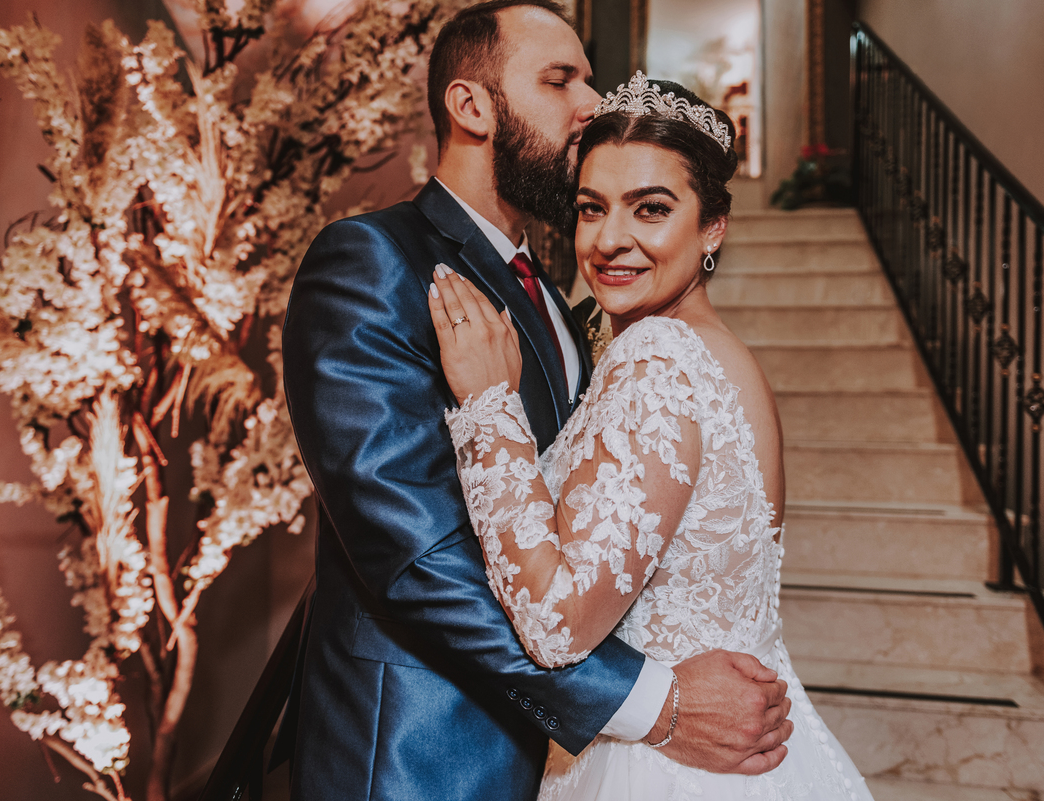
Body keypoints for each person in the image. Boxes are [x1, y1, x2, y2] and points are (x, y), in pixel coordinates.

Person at [282, 3, 792, 799]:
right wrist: (649, 700)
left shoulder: (562, 300)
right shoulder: (372, 262)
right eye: (560, 81)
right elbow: (418, 555)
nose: (592, 102)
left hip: (557, 753)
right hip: (420, 757)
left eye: (589, 79)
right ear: (471, 106)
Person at [425, 73, 874, 800]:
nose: (610, 240)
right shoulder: (721, 355)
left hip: (663, 764)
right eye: (591, 208)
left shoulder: (658, 357)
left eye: (652, 208)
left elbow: (556, 624)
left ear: (713, 226)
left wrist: (488, 407)